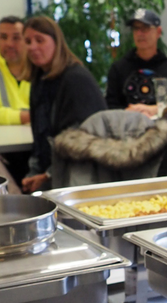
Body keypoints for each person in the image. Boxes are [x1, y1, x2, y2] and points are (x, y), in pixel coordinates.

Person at [21, 16, 106, 193]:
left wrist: (48, 176)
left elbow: (82, 143)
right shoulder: (40, 79)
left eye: (40, 40)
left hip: (82, 176)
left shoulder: (75, 79)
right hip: (53, 172)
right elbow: (40, 139)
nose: (33, 47)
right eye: (28, 41)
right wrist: (34, 173)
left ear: (57, 42)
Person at [105, 9, 167, 118]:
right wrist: (130, 112)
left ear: (158, 32)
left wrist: (156, 109)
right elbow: (109, 104)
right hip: (127, 128)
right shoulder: (118, 68)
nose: (140, 33)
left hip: (164, 129)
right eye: (136, 28)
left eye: (145, 28)